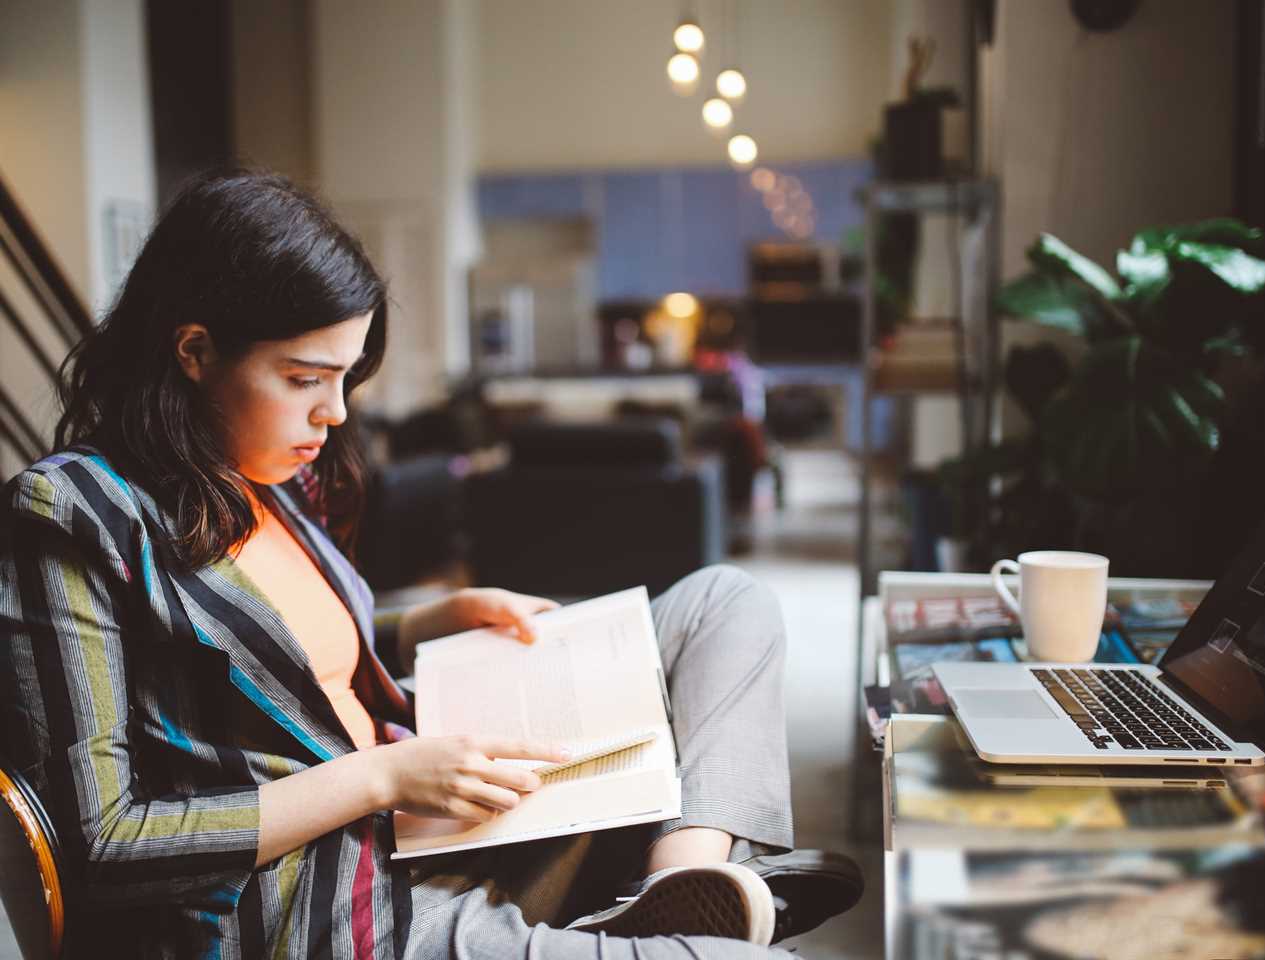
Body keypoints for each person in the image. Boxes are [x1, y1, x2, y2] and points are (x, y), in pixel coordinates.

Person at [0, 171, 861, 959]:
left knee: (723, 602)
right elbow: (103, 843)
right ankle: (657, 912)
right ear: (194, 352)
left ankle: (676, 882)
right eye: (306, 377)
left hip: (424, 813)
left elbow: (259, 659)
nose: (333, 412)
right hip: (325, 904)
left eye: (345, 377)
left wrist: (418, 623)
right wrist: (378, 776)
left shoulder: (248, 467)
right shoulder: (73, 512)